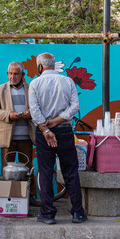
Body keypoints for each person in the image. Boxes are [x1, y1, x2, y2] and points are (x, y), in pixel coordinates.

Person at [29, 52, 87, 225]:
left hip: (43, 133)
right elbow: (74, 107)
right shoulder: (68, 81)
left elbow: (34, 110)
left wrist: (46, 130)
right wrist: (57, 120)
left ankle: (47, 214)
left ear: (40, 66)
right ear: (53, 65)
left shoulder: (35, 83)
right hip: (65, 131)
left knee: (46, 172)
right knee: (70, 172)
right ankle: (77, 213)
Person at [0, 62, 35, 174]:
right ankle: (7, 192)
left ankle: (29, 192)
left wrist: (31, 113)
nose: (12, 76)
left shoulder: (31, 88)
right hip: (8, 138)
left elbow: (39, 107)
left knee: (28, 170)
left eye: (16, 74)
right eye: (10, 73)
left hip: (27, 138)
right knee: (6, 170)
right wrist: (9, 115)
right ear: (7, 74)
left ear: (22, 74)